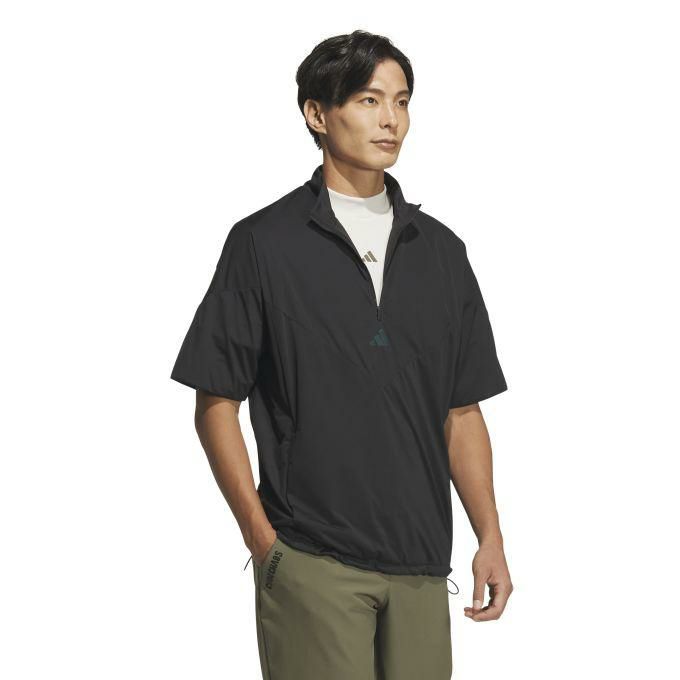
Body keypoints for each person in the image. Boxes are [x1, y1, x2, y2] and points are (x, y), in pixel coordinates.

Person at [170, 29, 513, 680]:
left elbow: (462, 412)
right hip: (312, 561)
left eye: (402, 101)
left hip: (421, 568)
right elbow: (216, 401)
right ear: (317, 114)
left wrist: (489, 536)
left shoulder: (442, 253)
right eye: (368, 99)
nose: (391, 119)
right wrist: (263, 542)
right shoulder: (264, 244)